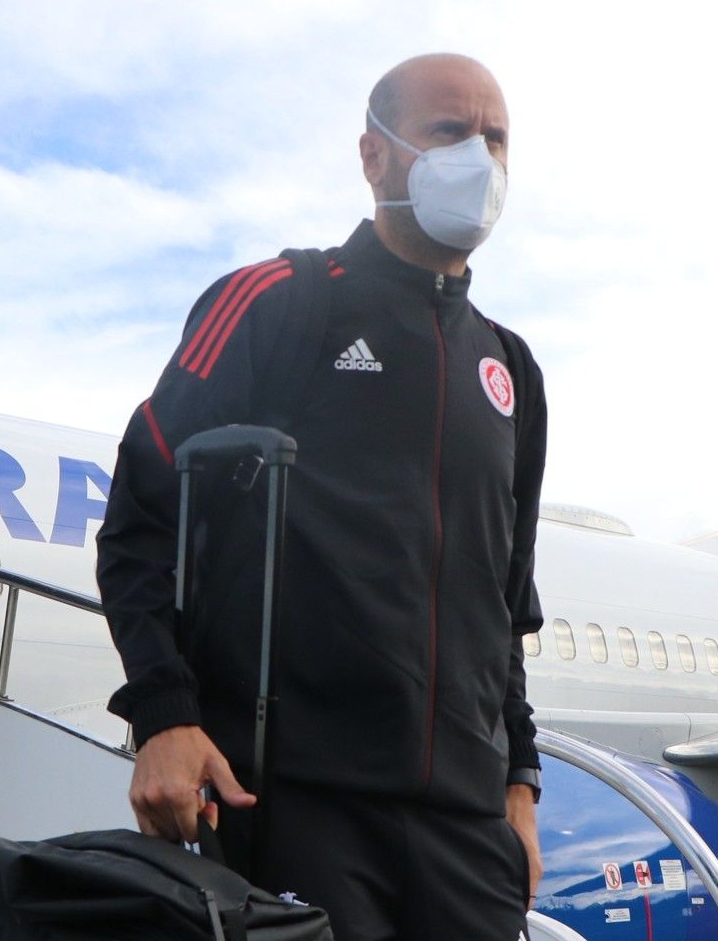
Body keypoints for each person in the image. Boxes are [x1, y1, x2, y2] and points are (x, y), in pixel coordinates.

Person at [97, 53, 547, 940]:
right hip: (292, 807)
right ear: (374, 156)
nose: (479, 158)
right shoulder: (276, 303)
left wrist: (519, 788)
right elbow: (139, 523)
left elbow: (504, 610)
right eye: (448, 132)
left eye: (496, 139)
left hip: (465, 831)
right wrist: (164, 717)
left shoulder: (511, 369)